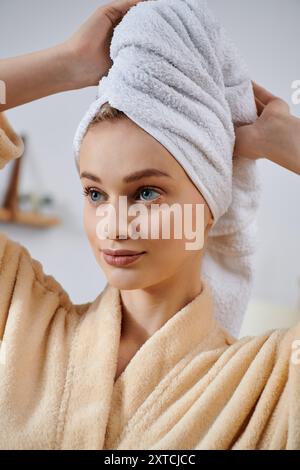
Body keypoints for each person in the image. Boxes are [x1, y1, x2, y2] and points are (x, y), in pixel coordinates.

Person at [0, 0, 299, 450]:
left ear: (210, 202)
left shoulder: (268, 383)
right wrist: (67, 64)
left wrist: (288, 143)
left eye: (146, 193)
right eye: (95, 194)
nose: (114, 226)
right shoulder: (20, 316)